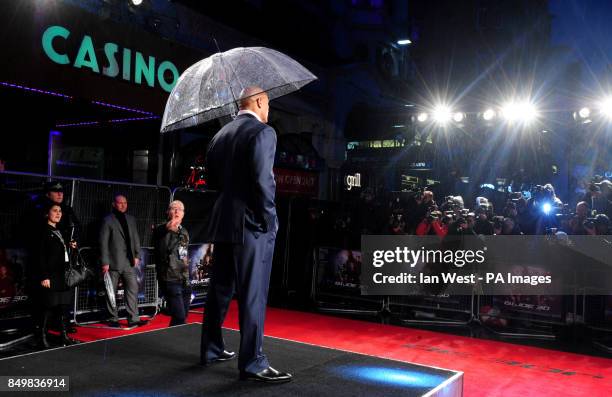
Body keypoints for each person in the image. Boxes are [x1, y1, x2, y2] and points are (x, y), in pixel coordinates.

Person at [200, 86, 291, 383]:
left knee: (220, 289)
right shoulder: (264, 133)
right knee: (253, 292)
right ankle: (252, 361)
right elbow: (264, 182)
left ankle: (211, 348)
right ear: (259, 101)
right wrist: (269, 219)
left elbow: (212, 180)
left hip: (223, 220)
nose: (269, 111)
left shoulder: (220, 135)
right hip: (251, 224)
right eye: (268, 105)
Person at [99, 194, 147, 328]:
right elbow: (103, 243)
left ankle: (134, 318)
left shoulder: (131, 219)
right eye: (120, 203)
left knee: (133, 289)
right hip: (113, 262)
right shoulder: (108, 220)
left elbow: (136, 238)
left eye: (125, 203)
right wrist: (105, 262)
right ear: (114, 204)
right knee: (111, 292)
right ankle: (112, 318)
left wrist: (137, 255)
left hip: (129, 262)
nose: (123, 205)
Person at [36, 203, 79, 347]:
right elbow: (40, 256)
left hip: (63, 275)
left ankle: (64, 336)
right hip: (51, 275)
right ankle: (42, 337)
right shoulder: (42, 231)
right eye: (54, 211)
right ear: (47, 213)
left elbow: (64, 254)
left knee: (63, 306)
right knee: (48, 307)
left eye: (60, 211)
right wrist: (44, 276)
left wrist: (71, 247)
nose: (58, 213)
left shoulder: (61, 231)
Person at [153, 200, 191, 326]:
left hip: (184, 278)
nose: (177, 211)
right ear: (167, 211)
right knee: (179, 316)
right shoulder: (160, 228)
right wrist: (176, 218)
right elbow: (169, 227)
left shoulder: (184, 231)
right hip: (169, 278)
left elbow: (184, 253)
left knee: (183, 315)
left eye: (180, 209)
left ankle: (171, 337)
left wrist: (187, 274)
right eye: (174, 208)